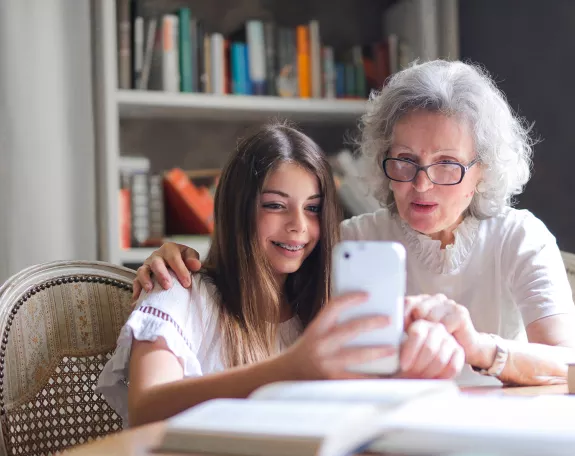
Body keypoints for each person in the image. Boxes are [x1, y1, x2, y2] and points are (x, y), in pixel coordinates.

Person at [137, 60, 575, 387]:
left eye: (446, 165)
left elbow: (567, 366)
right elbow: (256, 271)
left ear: (483, 170)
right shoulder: (350, 241)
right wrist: (174, 257)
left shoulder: (520, 236)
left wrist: (479, 347)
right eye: (405, 161)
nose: (421, 185)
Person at [98, 124, 464, 427]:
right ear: (237, 210)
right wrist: (289, 369)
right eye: (275, 206)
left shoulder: (323, 309)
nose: (298, 227)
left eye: (313, 209)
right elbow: (146, 409)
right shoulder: (178, 291)